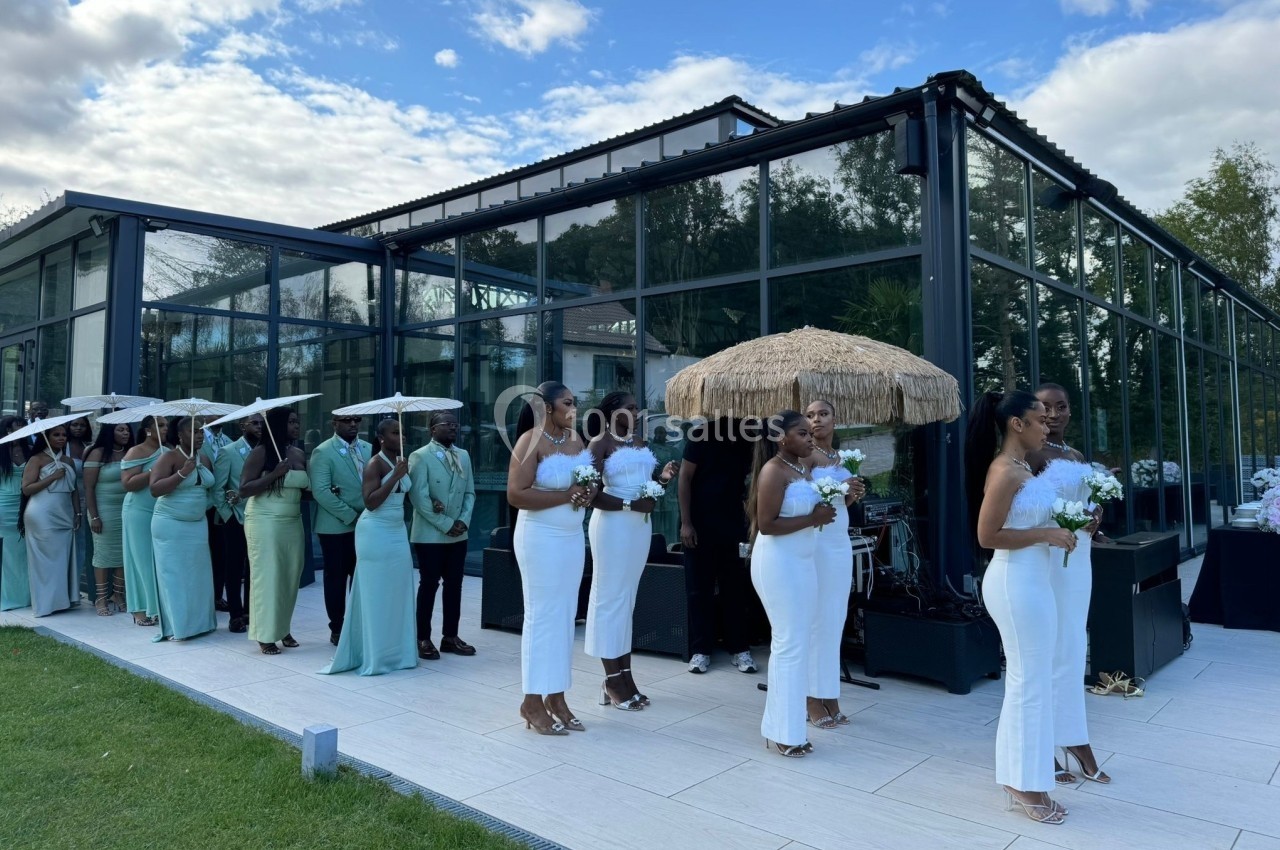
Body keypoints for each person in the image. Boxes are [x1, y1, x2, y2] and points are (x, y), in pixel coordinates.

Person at [965, 389, 1076, 825]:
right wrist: (1047, 535)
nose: (1047, 423)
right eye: (1038, 418)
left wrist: (1063, 524)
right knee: (1029, 682)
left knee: (1029, 680)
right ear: (1016, 424)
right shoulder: (1005, 471)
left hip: (1033, 580)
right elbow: (987, 537)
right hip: (1015, 582)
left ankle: (1018, 775)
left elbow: (1025, 520)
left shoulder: (1021, 467)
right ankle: (1026, 784)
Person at [1028, 382, 1111, 786]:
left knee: (1074, 645)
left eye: (1062, 407)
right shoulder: (1030, 453)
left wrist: (1096, 512)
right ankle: (1048, 742)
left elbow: (1086, 499)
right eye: (1046, 407)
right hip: (1050, 556)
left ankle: (1072, 737)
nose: (1055, 414)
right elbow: (1028, 508)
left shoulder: (1075, 454)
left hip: (1080, 558)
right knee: (1053, 647)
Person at [506, 381, 597, 736]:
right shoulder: (529, 441)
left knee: (564, 618)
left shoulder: (576, 440)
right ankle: (531, 700)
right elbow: (516, 494)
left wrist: (589, 492)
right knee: (541, 617)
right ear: (547, 408)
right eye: (569, 403)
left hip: (571, 538)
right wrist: (565, 496)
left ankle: (556, 696)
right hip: (540, 539)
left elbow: (584, 483)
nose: (574, 409)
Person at [748, 410, 834, 757]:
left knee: (799, 640)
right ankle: (783, 731)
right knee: (789, 643)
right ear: (781, 438)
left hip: (803, 561)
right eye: (802, 433)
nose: (810, 436)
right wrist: (814, 518)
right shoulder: (773, 471)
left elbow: (833, 460)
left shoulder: (803, 466)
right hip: (779, 563)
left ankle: (788, 726)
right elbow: (766, 525)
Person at [584, 391, 676, 709]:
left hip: (639, 526)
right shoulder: (599, 444)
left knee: (628, 600)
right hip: (612, 526)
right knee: (609, 599)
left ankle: (625, 675)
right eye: (630, 408)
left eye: (637, 408)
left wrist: (662, 481)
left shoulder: (638, 442)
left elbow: (645, 487)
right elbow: (591, 494)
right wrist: (630, 504)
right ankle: (613, 680)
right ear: (611, 412)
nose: (636, 413)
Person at [321, 418, 417, 676]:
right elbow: (370, 502)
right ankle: (373, 654)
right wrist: (395, 476)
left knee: (398, 590)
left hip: (398, 531)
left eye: (403, 432)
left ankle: (398, 651)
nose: (402, 437)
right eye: (395, 433)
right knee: (376, 593)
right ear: (382, 438)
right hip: (375, 531)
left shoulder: (401, 461)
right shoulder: (374, 464)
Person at [803, 400, 867, 729]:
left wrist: (852, 492)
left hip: (840, 541)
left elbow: (841, 503)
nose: (817, 420)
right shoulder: (806, 456)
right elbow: (803, 499)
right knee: (815, 620)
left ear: (835, 419)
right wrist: (839, 489)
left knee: (834, 619)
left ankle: (830, 693)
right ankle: (811, 698)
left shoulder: (839, 457)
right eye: (810, 416)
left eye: (823, 414)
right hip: (816, 541)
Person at [678, 417, 758, 674]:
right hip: (700, 524)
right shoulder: (700, 434)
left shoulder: (749, 436)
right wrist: (686, 522)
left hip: (736, 524)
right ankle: (700, 650)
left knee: (736, 586)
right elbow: (684, 478)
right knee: (698, 588)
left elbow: (755, 480)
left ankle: (740, 648)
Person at [408, 410, 477, 660]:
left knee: (455, 585)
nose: (453, 428)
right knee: (428, 585)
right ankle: (422, 637)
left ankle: (450, 636)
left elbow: (469, 492)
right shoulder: (420, 456)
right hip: (430, 534)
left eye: (455, 424)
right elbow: (419, 498)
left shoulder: (464, 456)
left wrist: (463, 521)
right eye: (447, 424)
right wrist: (446, 523)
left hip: (458, 533)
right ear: (432, 429)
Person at [240, 407, 309, 655]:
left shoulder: (299, 453)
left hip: (292, 521)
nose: (296, 425)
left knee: (290, 577)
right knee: (268, 577)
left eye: (297, 421)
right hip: (264, 520)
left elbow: (302, 490)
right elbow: (244, 489)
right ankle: (265, 635)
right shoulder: (260, 453)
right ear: (279, 425)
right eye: (291, 421)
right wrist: (275, 474)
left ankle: (282, 628)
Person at [149, 417, 217, 641]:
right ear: (180, 435)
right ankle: (178, 627)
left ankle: (199, 624)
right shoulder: (169, 456)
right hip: (170, 524)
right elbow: (155, 489)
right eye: (194, 431)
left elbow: (208, 489)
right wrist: (182, 473)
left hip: (197, 524)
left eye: (201, 431)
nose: (199, 435)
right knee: (175, 576)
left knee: (198, 575)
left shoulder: (204, 458)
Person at [310, 413, 372, 646]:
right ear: (333, 423)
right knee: (336, 577)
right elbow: (322, 491)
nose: (353, 424)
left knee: (361, 577)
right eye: (347, 420)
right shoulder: (323, 451)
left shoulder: (368, 449)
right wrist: (351, 516)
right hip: (336, 527)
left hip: (366, 524)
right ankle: (337, 626)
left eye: (357, 420)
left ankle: (359, 623)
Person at [21, 426, 79, 617]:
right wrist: (52, 477)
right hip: (41, 514)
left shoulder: (68, 460)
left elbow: (74, 490)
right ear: (46, 437)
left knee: (62, 559)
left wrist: (78, 514)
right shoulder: (36, 459)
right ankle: (45, 604)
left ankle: (62, 601)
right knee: (45, 561)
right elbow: (27, 489)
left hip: (64, 513)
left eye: (64, 435)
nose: (61, 438)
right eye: (56, 435)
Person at [213, 414, 262, 633]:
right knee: (234, 568)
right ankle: (235, 615)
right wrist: (229, 516)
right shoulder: (229, 452)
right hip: (237, 518)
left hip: (262, 518)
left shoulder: (268, 451)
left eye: (262, 423)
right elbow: (217, 489)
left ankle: (251, 611)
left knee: (256, 568)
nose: (259, 426)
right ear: (243, 426)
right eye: (255, 423)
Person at [83, 422, 135, 615]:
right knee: (103, 555)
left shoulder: (131, 452)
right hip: (103, 510)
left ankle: (118, 594)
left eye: (127, 429)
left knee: (123, 553)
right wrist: (94, 516)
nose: (125, 433)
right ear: (109, 431)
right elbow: (88, 488)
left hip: (127, 509)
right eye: (120, 429)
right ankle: (101, 598)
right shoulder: (97, 453)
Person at [121, 415, 166, 626]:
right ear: (148, 430)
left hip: (161, 509)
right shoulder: (135, 451)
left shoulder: (169, 450)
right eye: (161, 425)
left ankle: (157, 607)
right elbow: (128, 484)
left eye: (167, 425)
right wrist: (153, 470)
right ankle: (139, 609)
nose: (166, 429)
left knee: (158, 560)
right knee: (140, 561)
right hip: (138, 509)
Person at [200, 423, 232, 612]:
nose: (219, 418)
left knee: (221, 553)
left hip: (221, 505)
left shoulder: (228, 441)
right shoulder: (196, 438)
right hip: (201, 504)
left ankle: (217, 596)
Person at [0, 417, 31, 611]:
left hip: (27, 504)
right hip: (3, 505)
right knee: (7, 552)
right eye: (13, 430)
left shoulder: (31, 450)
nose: (17, 433)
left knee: (23, 552)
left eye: (21, 429)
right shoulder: (1, 450)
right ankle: (7, 596)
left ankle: (24, 595)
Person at [66, 415, 94, 604]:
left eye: (82, 425)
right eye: (75, 425)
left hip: (87, 498)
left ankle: (75, 591)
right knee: (65, 545)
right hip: (65, 498)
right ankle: (64, 590)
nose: (78, 428)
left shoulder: (89, 446)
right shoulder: (62, 445)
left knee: (82, 545)